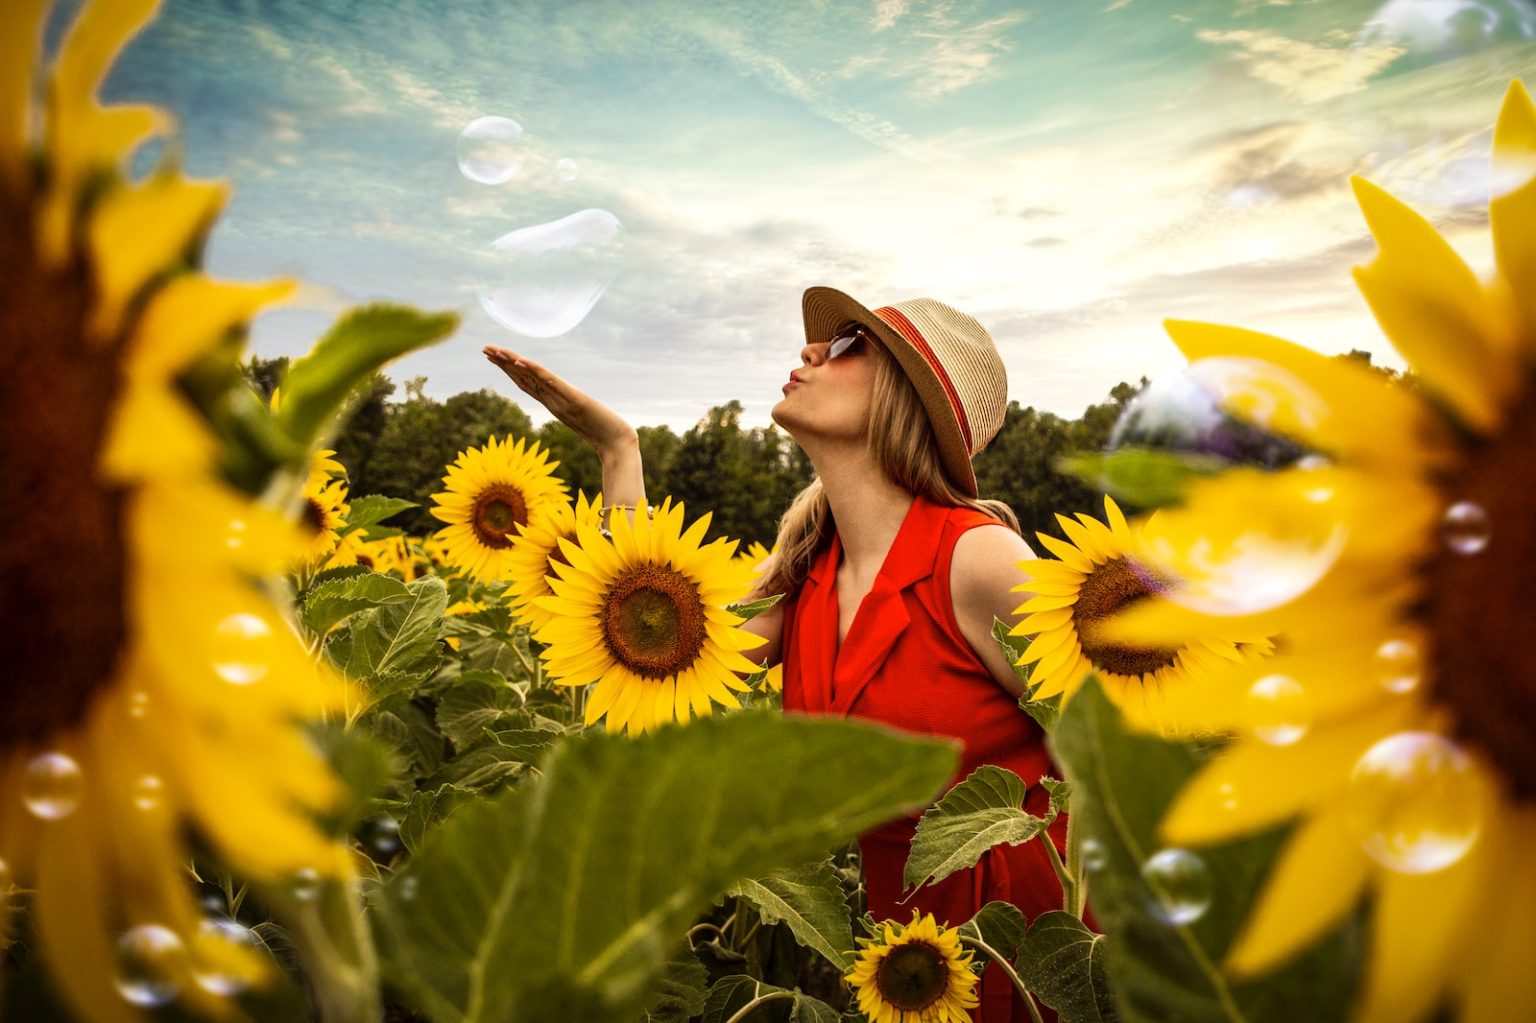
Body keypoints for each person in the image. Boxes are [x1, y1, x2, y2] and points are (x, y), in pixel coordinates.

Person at [485, 286, 1069, 1022]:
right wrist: (618, 450)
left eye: (851, 344)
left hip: (1025, 959)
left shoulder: (980, 561)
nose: (811, 350)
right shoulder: (803, 578)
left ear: (905, 396)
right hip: (907, 969)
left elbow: (1112, 758)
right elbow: (642, 640)